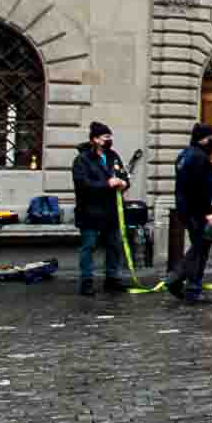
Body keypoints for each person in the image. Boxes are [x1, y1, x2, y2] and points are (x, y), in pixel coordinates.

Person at [70, 120, 134, 297]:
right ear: (95, 139)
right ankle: (86, 281)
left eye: (110, 136)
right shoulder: (82, 160)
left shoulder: (113, 156)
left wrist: (124, 183)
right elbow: (83, 184)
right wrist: (106, 184)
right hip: (90, 210)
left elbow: (123, 176)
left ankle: (112, 278)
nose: (109, 139)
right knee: (88, 246)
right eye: (106, 137)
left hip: (111, 211)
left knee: (114, 245)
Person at [169, 122, 212, 306]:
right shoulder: (199, 158)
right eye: (211, 138)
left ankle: (181, 282)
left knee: (200, 247)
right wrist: (208, 212)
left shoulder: (184, 155)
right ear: (203, 139)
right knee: (200, 249)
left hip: (188, 211)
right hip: (198, 212)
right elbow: (197, 189)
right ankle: (189, 287)